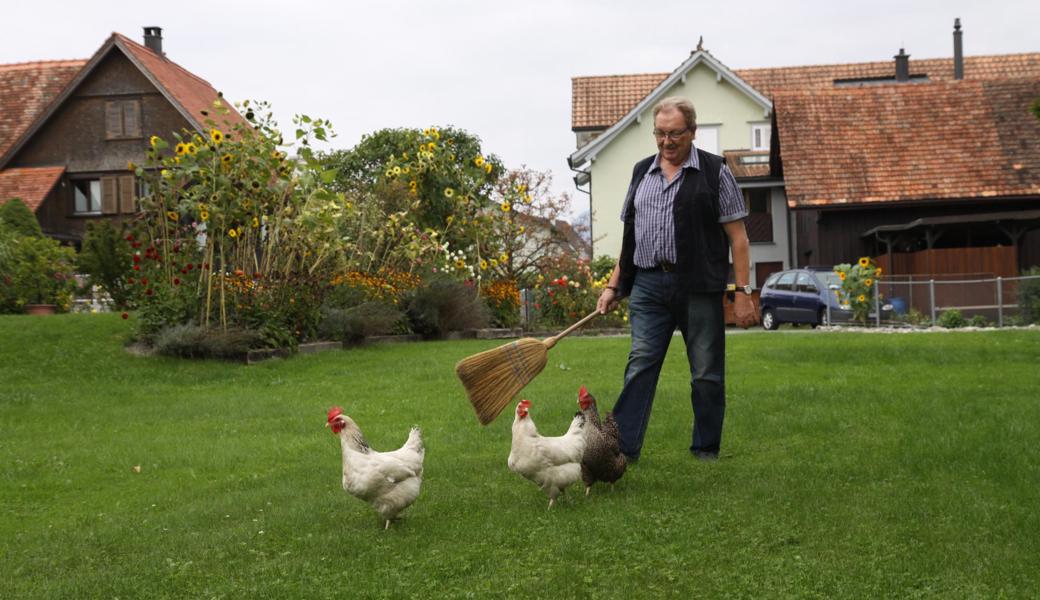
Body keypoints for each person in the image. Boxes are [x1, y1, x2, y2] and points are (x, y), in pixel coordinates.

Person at [595, 96, 758, 463]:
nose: (667, 142)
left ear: (693, 132)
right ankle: (622, 451)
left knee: (705, 372)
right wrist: (612, 286)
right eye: (660, 134)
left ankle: (705, 448)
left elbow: (739, 238)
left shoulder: (716, 172)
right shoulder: (641, 173)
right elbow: (630, 241)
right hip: (649, 286)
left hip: (698, 286)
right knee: (640, 364)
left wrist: (744, 292)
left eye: (675, 134)